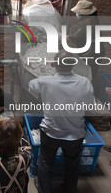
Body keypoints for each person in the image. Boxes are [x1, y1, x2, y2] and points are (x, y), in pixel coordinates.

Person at [28, 50, 95, 193]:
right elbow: (90, 106)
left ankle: (44, 189)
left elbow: (31, 86)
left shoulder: (44, 81)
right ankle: (69, 189)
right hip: (75, 135)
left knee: (46, 162)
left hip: (51, 133)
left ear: (53, 64)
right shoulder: (85, 82)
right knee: (72, 164)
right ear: (74, 64)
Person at [67, 0, 105, 86]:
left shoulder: (89, 23)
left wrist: (65, 37)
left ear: (83, 13)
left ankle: (86, 88)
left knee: (88, 71)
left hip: (93, 51)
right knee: (88, 70)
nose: (77, 14)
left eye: (78, 12)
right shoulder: (92, 19)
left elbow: (76, 37)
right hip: (94, 49)